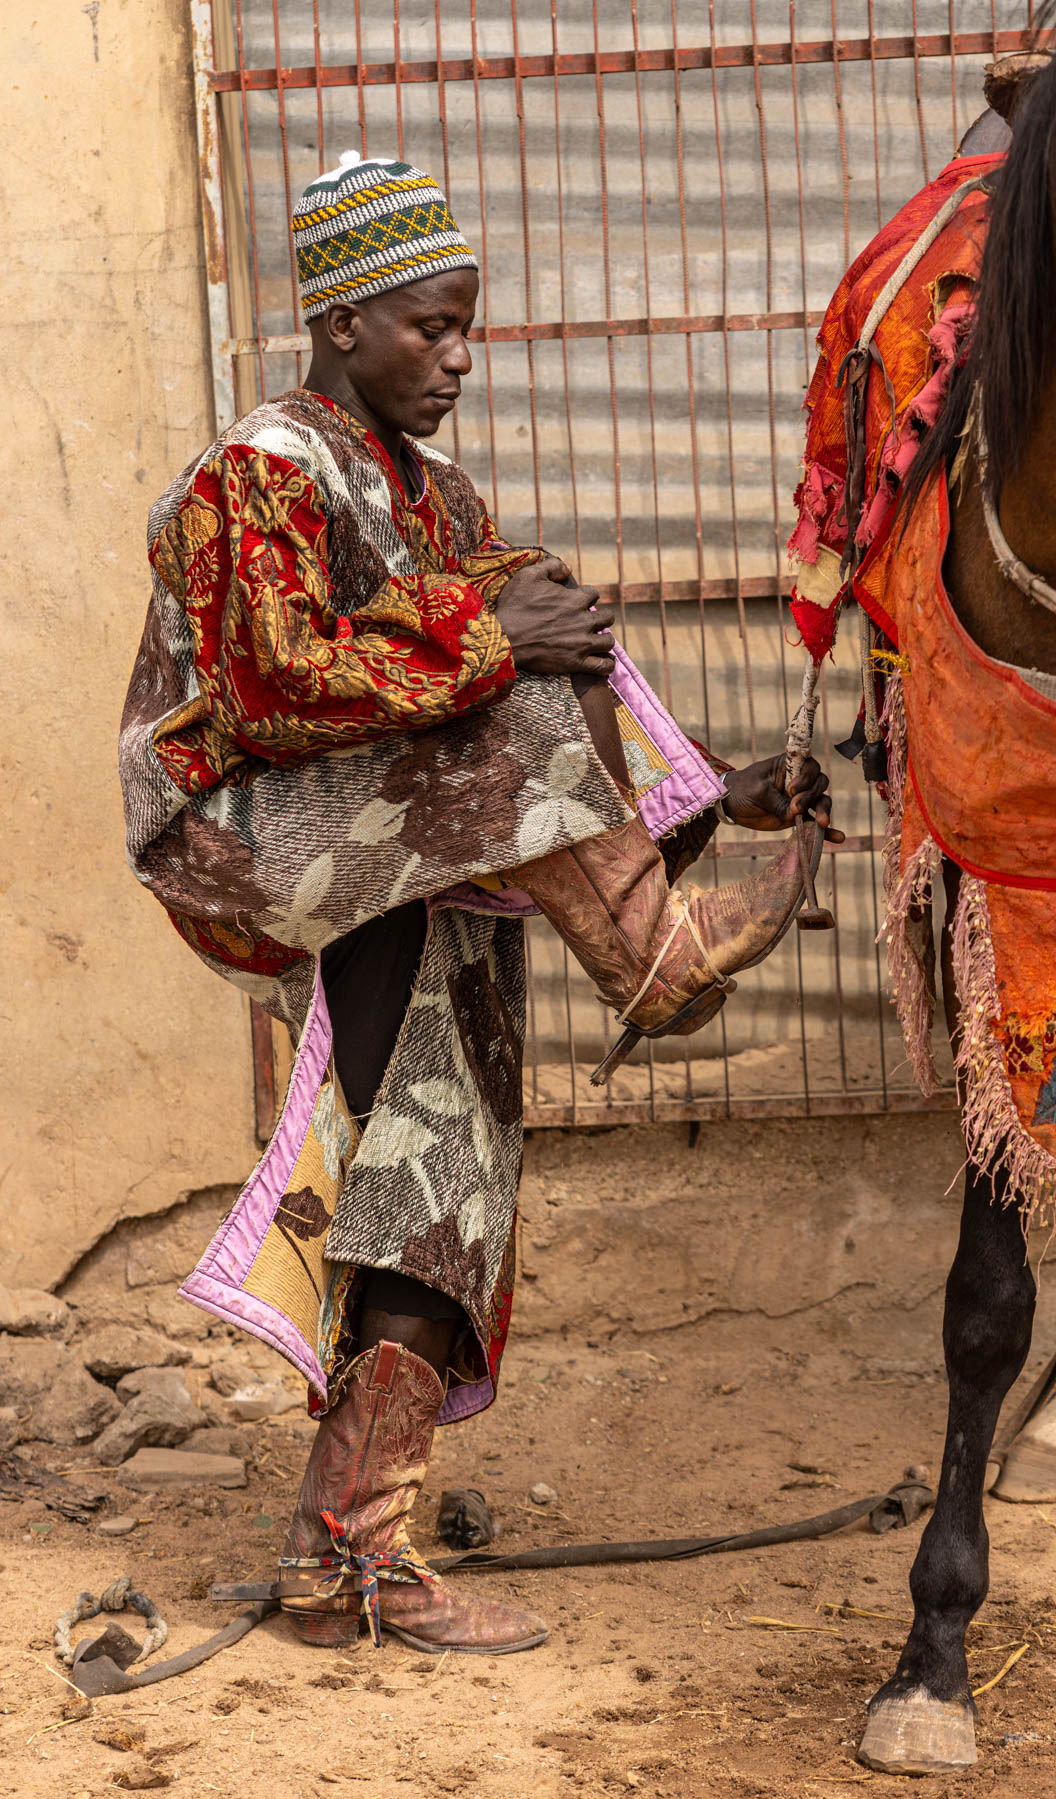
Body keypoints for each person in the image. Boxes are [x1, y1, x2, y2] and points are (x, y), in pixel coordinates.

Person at [119, 152, 837, 1657]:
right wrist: (485, 627)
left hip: (410, 845)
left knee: (443, 1149)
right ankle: (656, 954)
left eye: (470, 331)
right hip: (248, 826)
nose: (457, 359)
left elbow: (537, 666)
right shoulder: (256, 469)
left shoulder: (429, 490)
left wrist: (716, 785)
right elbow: (270, 680)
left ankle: (350, 1560)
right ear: (339, 325)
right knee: (513, 671)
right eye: (430, 329)